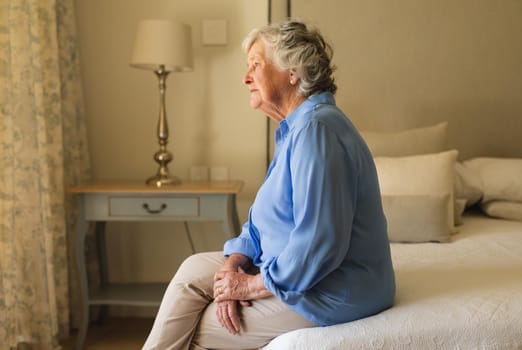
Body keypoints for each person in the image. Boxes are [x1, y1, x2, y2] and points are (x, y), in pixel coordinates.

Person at [142, 20, 395, 350]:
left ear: (293, 72)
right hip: (286, 268)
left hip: (332, 288)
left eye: (256, 65)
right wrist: (234, 265)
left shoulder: (318, 131)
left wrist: (247, 288)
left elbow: (320, 245)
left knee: (198, 328)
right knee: (192, 273)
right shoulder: (295, 130)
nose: (245, 78)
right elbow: (264, 219)